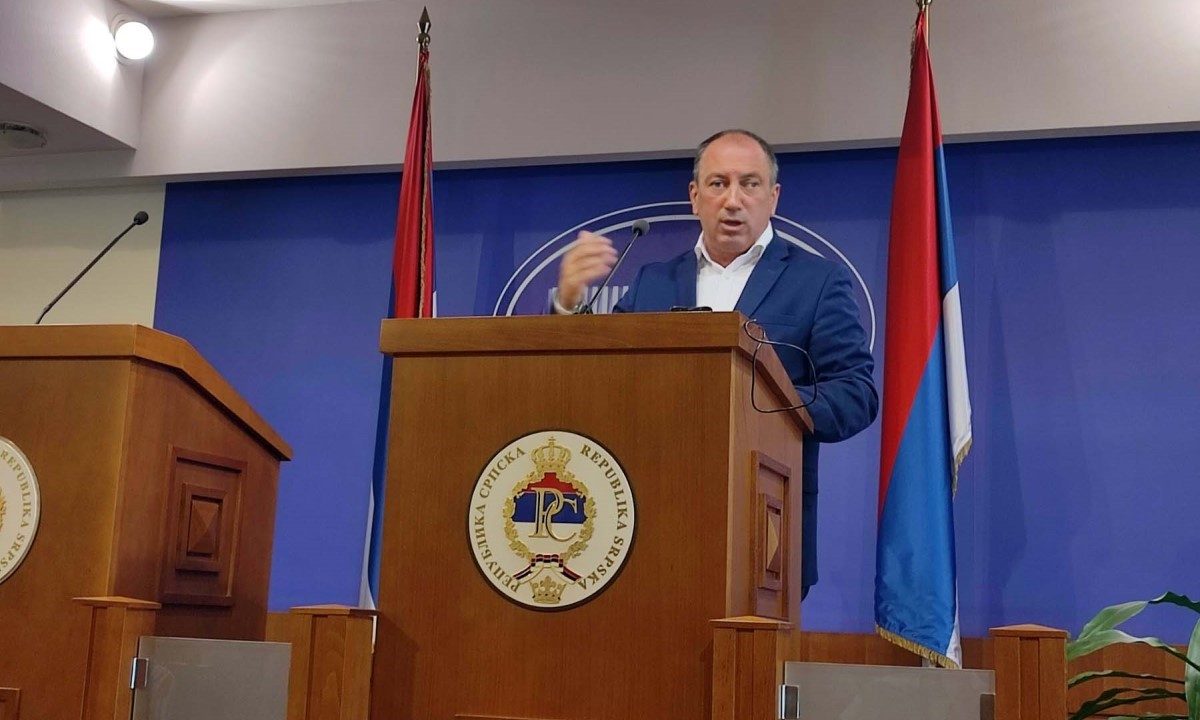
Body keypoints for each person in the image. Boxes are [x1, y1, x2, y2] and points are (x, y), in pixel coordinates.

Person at [555, 129, 878, 594]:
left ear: (773, 197)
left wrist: (761, 402)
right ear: (694, 196)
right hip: (648, 521)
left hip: (764, 529)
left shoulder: (818, 281)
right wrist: (567, 305)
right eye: (718, 183)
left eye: (749, 184)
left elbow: (854, 395)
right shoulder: (653, 281)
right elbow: (595, 380)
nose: (733, 200)